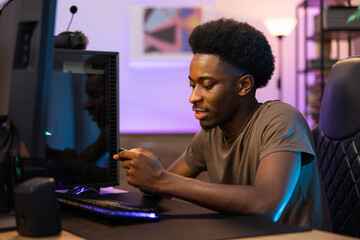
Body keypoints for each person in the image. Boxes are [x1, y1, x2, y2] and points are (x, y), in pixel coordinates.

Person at [113, 18, 332, 230]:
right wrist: (147, 173)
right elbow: (165, 186)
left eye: (207, 85)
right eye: (192, 85)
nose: (193, 97)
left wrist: (161, 179)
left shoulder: (281, 119)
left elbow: (265, 204)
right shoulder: (210, 135)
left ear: (244, 85)